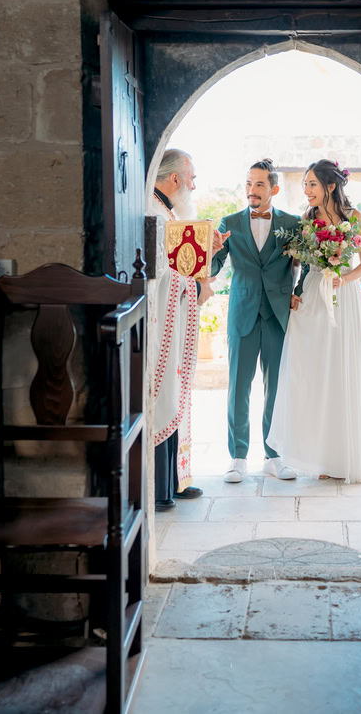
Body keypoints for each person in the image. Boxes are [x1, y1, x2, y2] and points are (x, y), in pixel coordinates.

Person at [267, 159, 361, 483]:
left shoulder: (355, 218)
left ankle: (342, 459)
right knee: (313, 371)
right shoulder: (308, 218)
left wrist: (344, 279)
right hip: (315, 295)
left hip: (344, 296)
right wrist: (294, 292)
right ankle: (317, 454)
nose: (307, 190)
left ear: (330, 186)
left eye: (312, 184)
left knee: (343, 368)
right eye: (305, 184)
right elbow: (299, 265)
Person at [211, 159, 301, 483]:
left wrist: (299, 292)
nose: (252, 190)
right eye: (249, 183)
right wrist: (210, 251)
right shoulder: (229, 222)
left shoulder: (292, 223)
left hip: (278, 315)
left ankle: (274, 455)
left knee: (276, 387)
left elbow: (304, 263)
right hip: (243, 313)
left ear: (274, 189)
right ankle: (237, 456)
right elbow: (214, 267)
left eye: (260, 184)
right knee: (238, 387)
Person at [148, 148, 225, 511]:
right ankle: (161, 487)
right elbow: (161, 277)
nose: (194, 185)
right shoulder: (155, 214)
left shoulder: (165, 212)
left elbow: (180, 264)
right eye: (191, 178)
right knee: (166, 393)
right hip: (161, 327)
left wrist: (206, 255)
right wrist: (194, 287)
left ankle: (174, 481)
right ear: (175, 179)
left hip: (172, 324)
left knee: (175, 393)